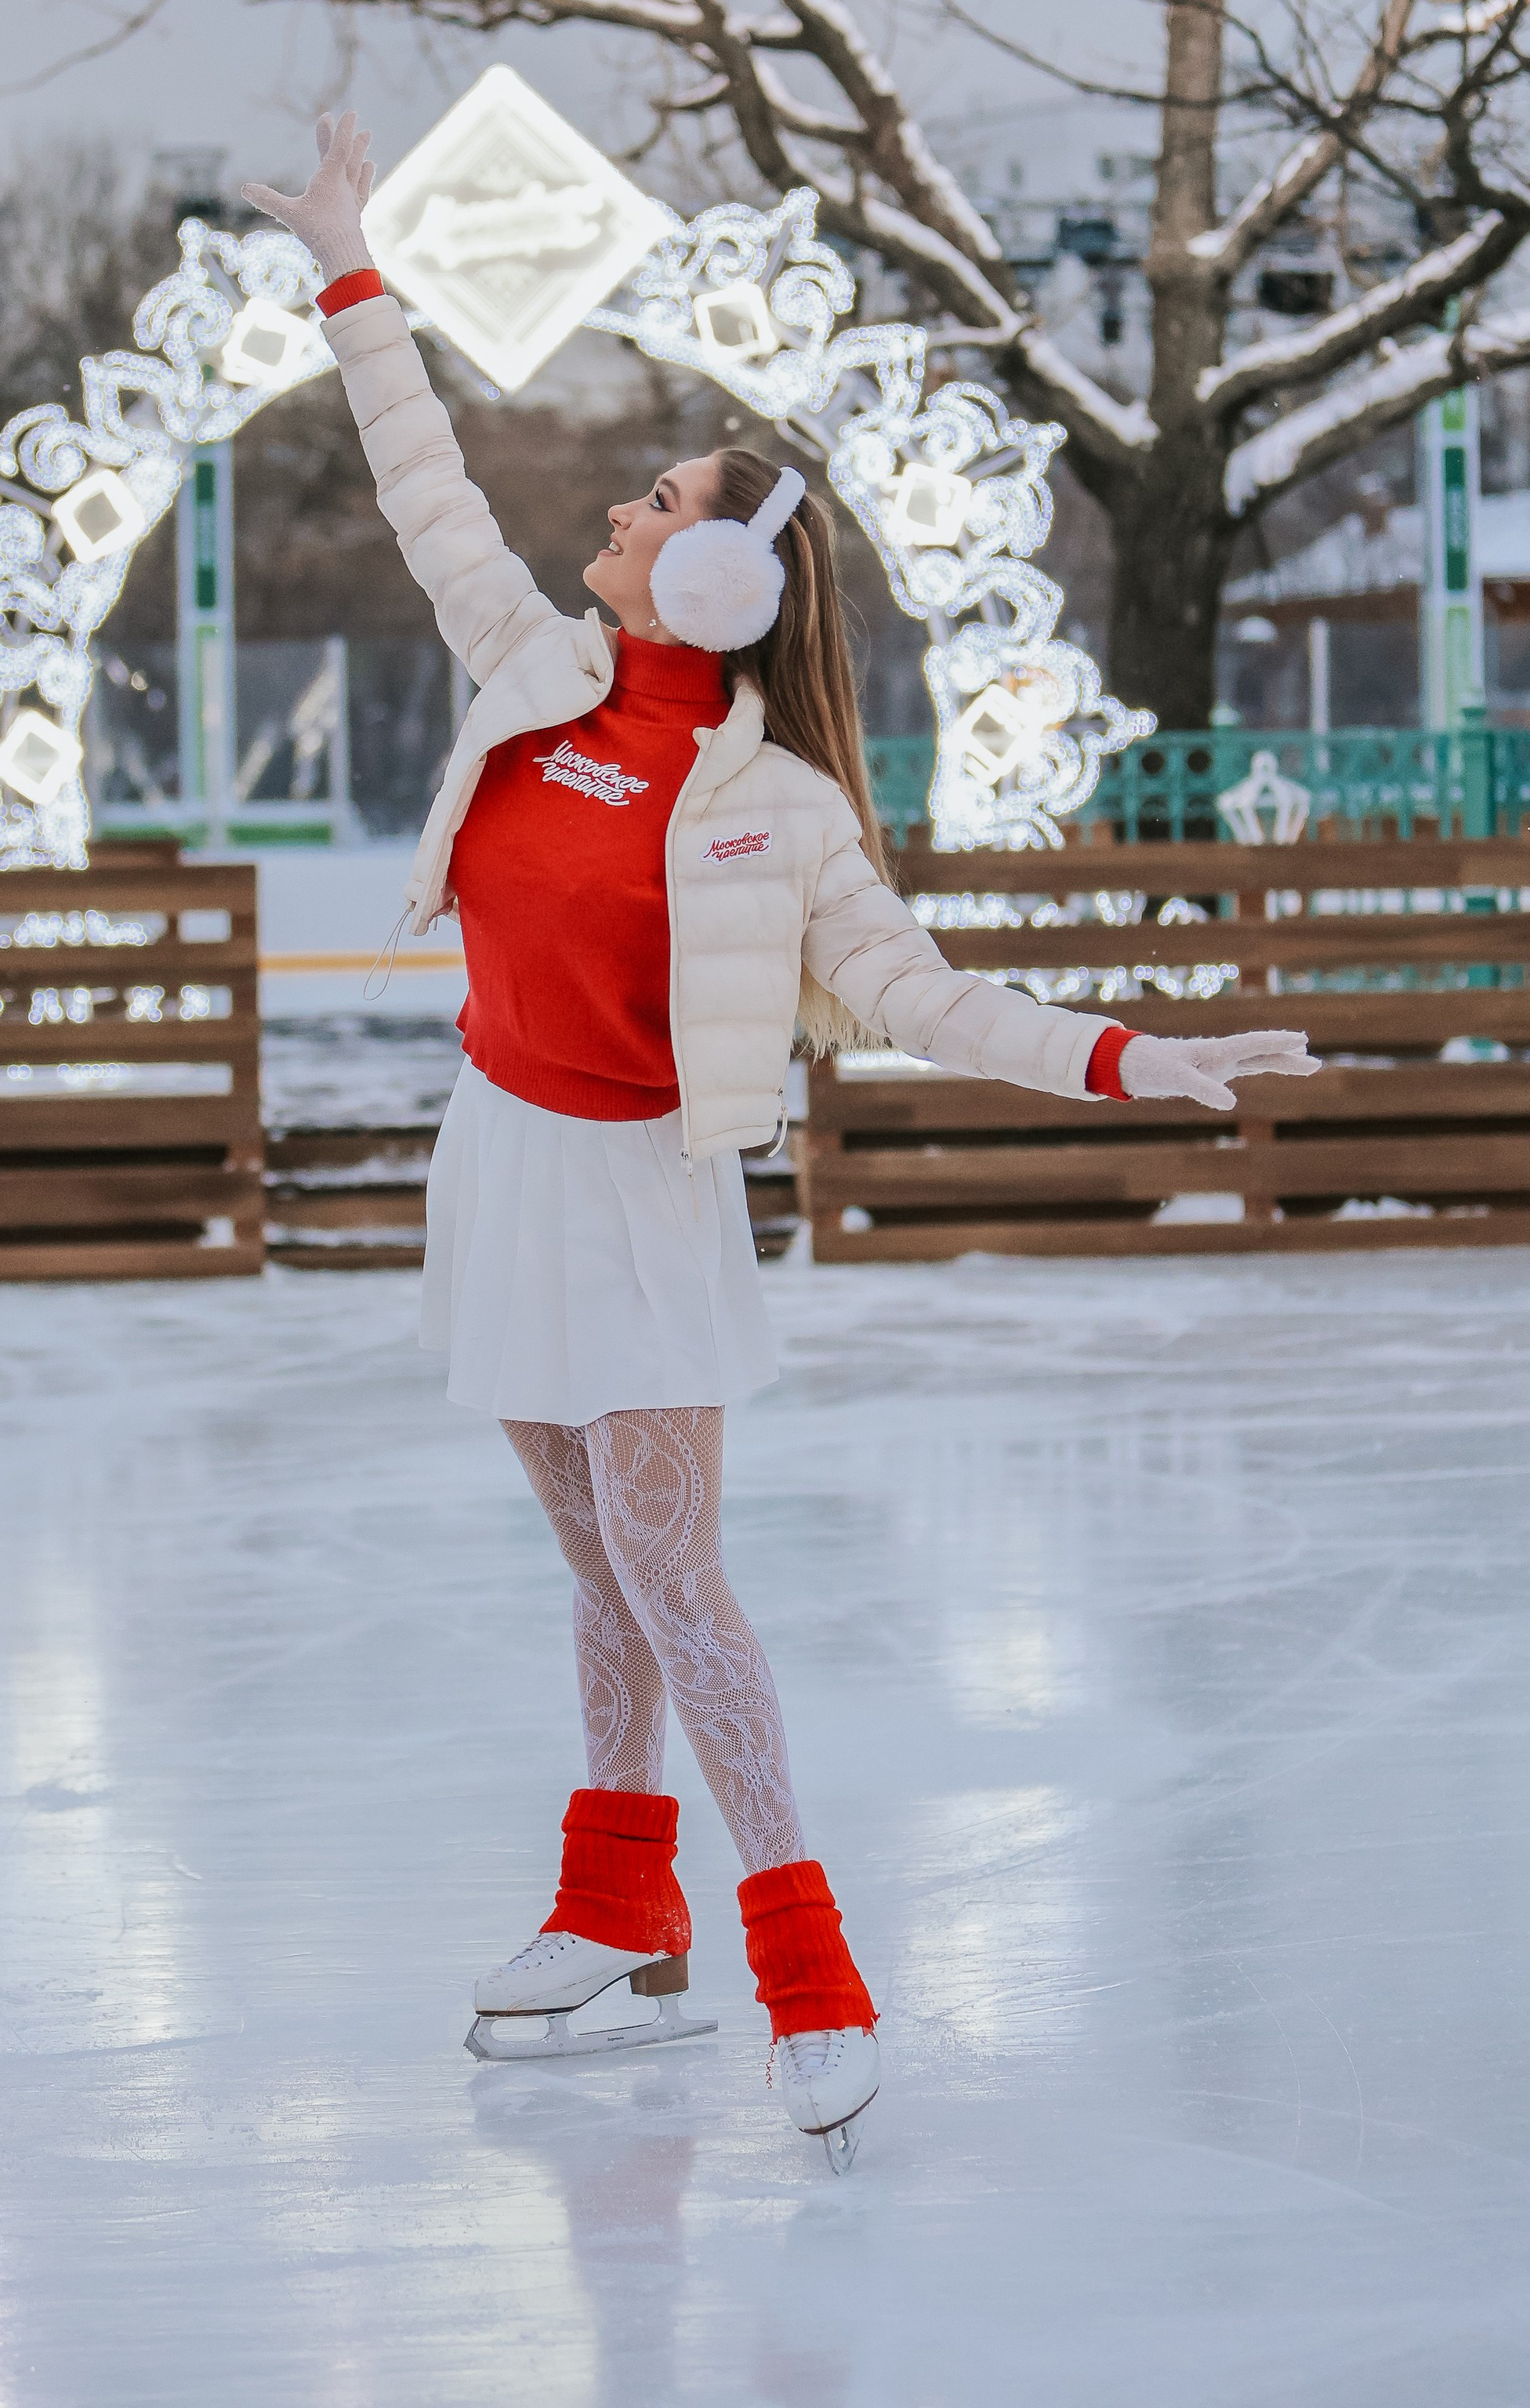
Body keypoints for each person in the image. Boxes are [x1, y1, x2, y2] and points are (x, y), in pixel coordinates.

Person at [245, 114, 1318, 2172]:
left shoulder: (780, 812)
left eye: (654, 501)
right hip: (500, 1160)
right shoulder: (532, 670)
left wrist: (1133, 1056)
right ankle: (614, 1908)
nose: (615, 507)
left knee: (676, 1577)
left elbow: (921, 996)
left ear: (720, 577)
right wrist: (350, 262)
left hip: (644, 1195)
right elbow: (422, 481)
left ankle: (810, 1975)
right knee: (596, 1565)